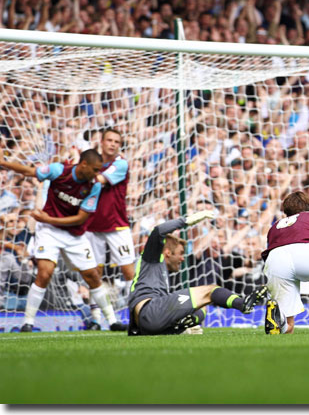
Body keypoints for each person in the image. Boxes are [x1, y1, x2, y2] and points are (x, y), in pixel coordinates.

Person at [0, 149, 125, 332]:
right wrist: (3, 163)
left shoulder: (95, 185)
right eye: (95, 169)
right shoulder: (60, 171)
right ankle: (28, 322)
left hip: (73, 233)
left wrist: (47, 219)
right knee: (45, 272)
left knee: (92, 276)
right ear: (83, 165)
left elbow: (80, 218)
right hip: (49, 232)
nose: (98, 174)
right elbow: (29, 171)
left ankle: (112, 321)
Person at [128, 210, 267, 336]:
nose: (183, 258)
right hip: (150, 310)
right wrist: (186, 221)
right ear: (168, 253)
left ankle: (182, 326)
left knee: (202, 308)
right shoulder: (153, 258)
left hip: (147, 323)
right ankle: (242, 303)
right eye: (181, 253)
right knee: (210, 290)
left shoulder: (159, 271)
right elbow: (158, 231)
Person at [261, 191, 309, 334]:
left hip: (275, 260)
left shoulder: (275, 226)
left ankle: (281, 323)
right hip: (305, 253)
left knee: (289, 326)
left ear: (286, 211)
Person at [84, 128, 135, 329]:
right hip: (93, 225)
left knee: (128, 270)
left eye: (117, 141)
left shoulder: (120, 163)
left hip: (117, 225)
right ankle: (96, 318)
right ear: (101, 142)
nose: (113, 144)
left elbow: (100, 180)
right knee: (93, 272)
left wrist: (82, 168)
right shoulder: (94, 162)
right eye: (109, 140)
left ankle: (137, 315)